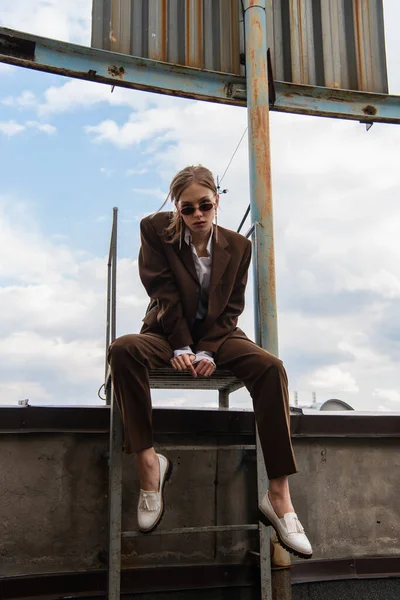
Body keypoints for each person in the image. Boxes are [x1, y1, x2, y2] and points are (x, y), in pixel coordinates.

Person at [108, 165, 312, 559]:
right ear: (176, 209)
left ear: (217, 201)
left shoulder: (239, 247)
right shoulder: (155, 229)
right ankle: (150, 466)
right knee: (123, 350)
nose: (198, 214)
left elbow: (232, 307)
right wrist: (183, 345)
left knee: (270, 367)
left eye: (205, 205)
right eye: (187, 209)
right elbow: (162, 291)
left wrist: (209, 350)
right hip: (166, 332)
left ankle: (279, 495)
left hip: (220, 335)